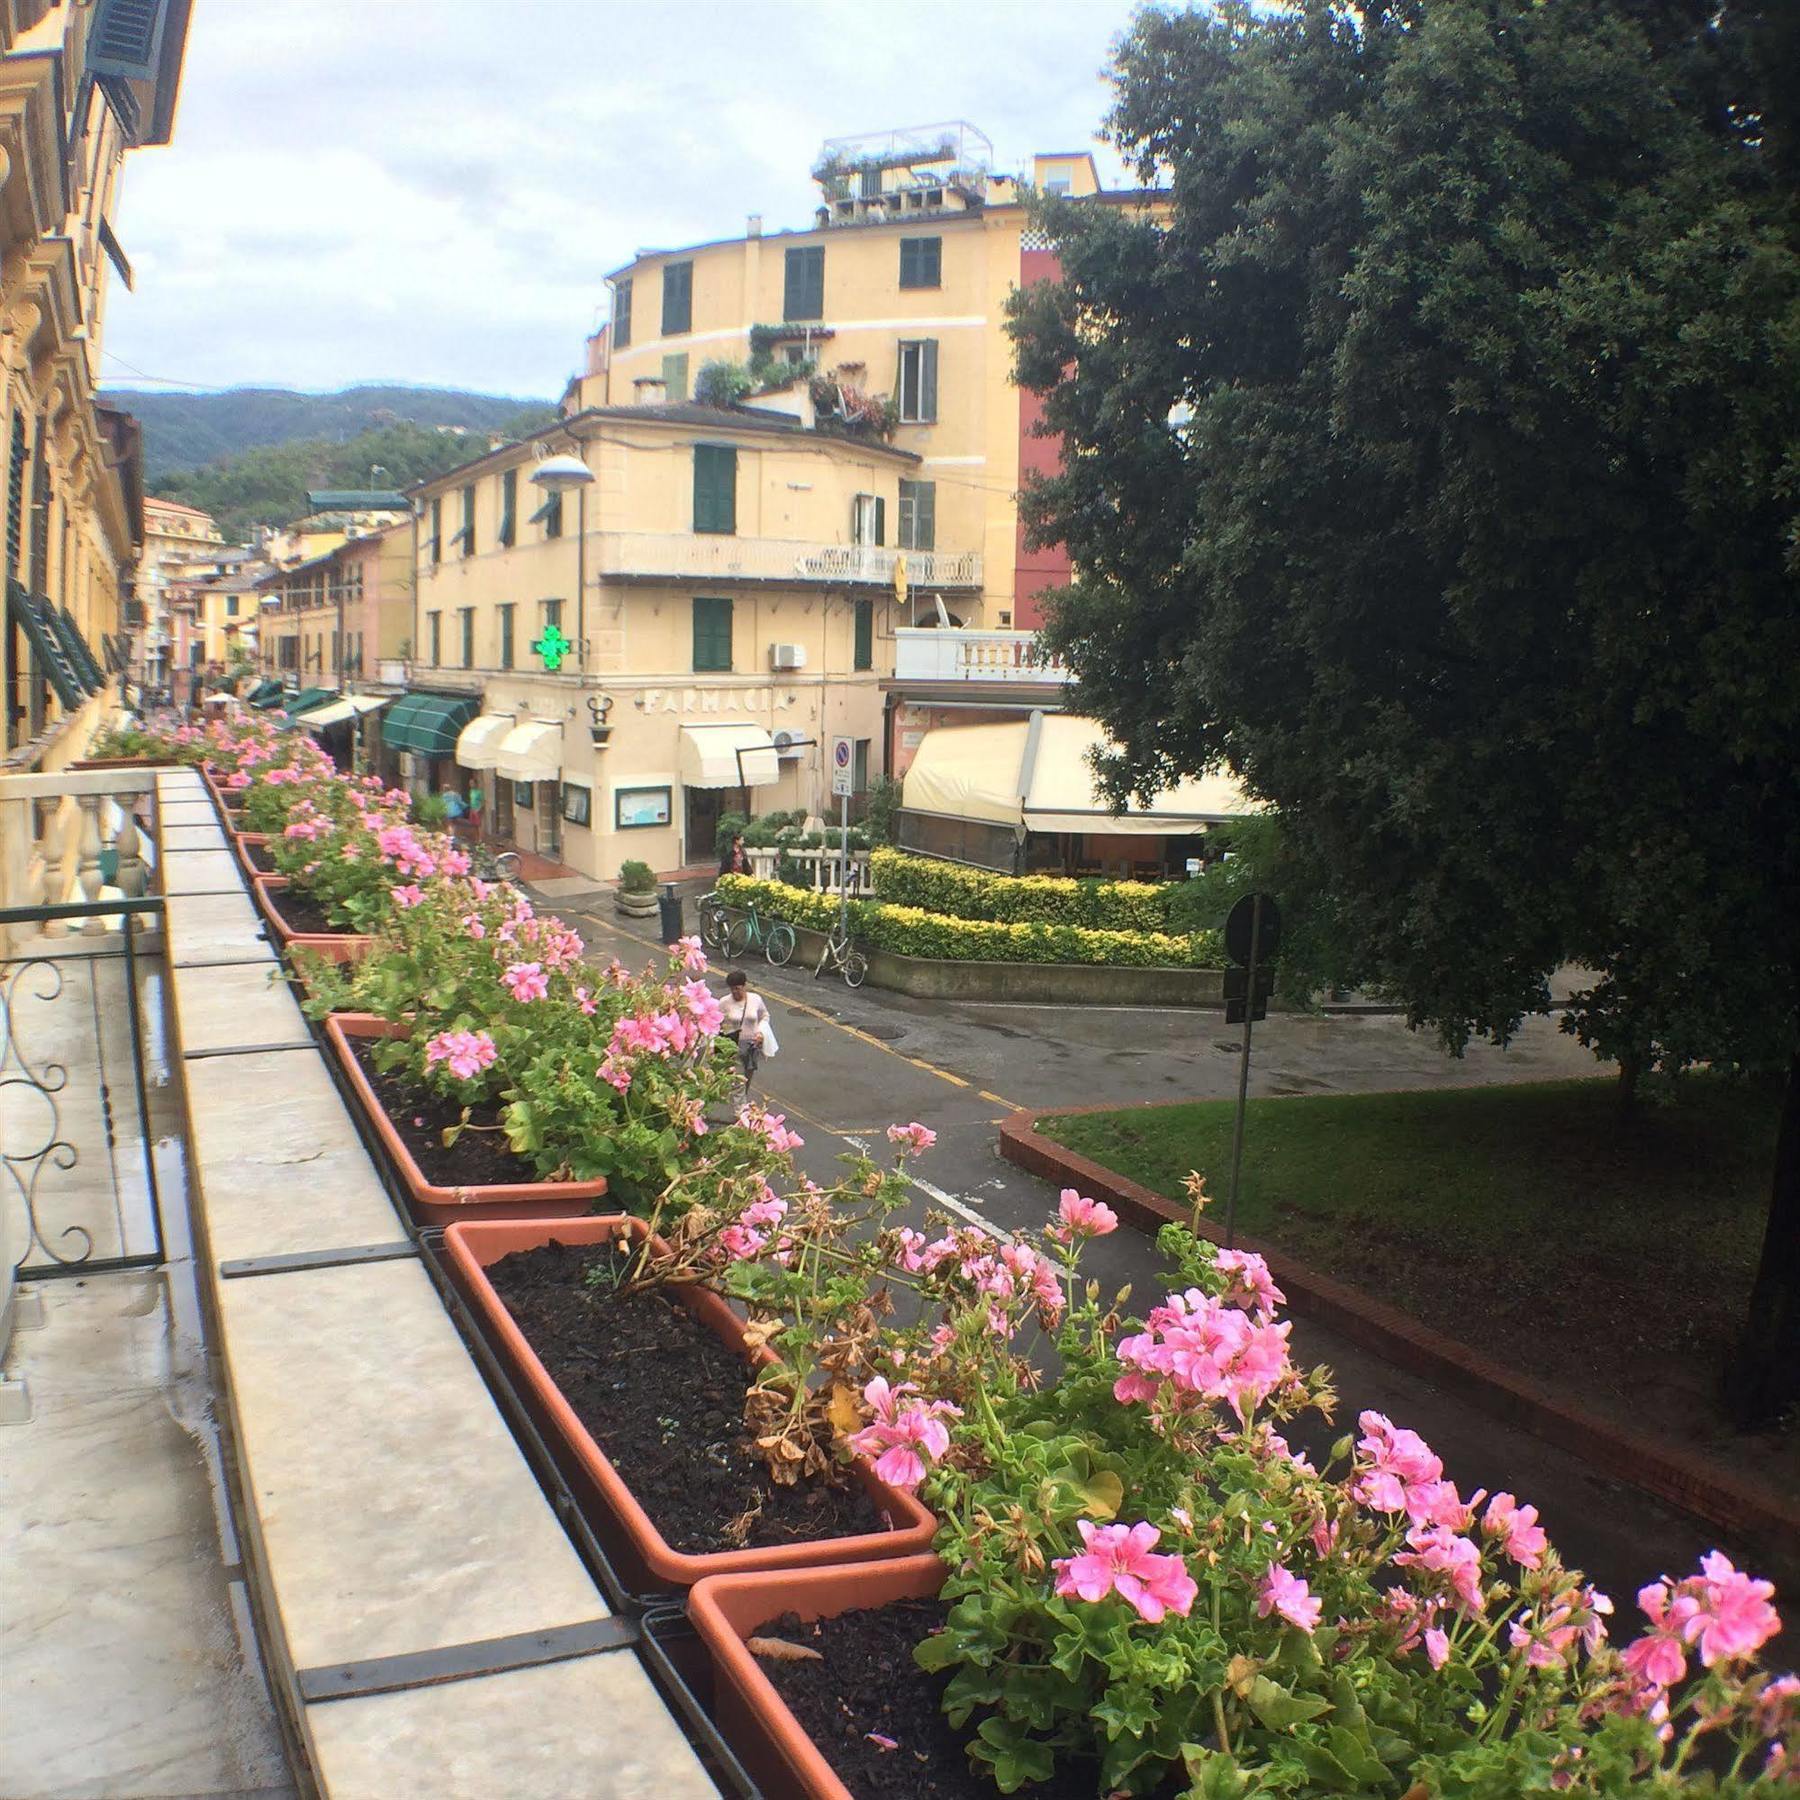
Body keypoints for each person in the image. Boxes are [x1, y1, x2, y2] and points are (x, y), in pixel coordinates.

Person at [720, 968, 769, 1091]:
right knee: (738, 1082)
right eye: (732, 989)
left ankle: (741, 1104)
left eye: (738, 988)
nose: (735, 992)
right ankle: (740, 1107)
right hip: (734, 1046)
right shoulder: (724, 1002)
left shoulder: (755, 999)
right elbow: (717, 1023)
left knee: (747, 1079)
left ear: (744, 985)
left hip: (752, 1046)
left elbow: (765, 1016)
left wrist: (761, 1032)